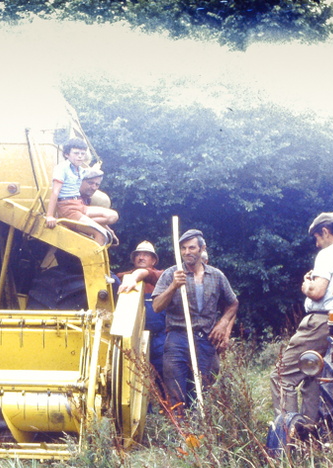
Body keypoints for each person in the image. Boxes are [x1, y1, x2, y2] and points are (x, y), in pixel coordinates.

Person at [270, 212, 333, 423]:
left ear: (325, 232)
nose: (317, 244)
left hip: (320, 321)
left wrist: (307, 286)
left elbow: (318, 292)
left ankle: (287, 435)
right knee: (312, 376)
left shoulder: (328, 254)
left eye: (317, 238)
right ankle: (309, 433)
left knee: (281, 376)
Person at [152, 229, 239, 412]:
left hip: (206, 340)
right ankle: (180, 436)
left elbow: (232, 303)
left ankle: (200, 435)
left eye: (191, 248)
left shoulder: (216, 275)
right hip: (177, 339)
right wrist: (174, 286)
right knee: (176, 395)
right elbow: (157, 306)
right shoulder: (171, 274)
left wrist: (223, 324)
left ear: (202, 248)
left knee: (203, 394)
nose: (187, 252)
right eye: (183, 248)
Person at [117, 241, 166, 392]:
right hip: (134, 340)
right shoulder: (122, 278)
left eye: (146, 254)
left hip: (159, 338)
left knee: (163, 375)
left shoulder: (162, 277)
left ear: (154, 260)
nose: (141, 257)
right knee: (135, 377)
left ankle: (167, 410)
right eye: (138, 254)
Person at [44, 137, 110, 245]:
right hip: (67, 207)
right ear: (66, 154)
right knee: (101, 234)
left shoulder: (79, 169)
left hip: (78, 205)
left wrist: (96, 167)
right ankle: (92, 259)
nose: (80, 156)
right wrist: (50, 215)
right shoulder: (62, 168)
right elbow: (55, 192)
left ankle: (81, 224)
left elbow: (90, 172)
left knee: (112, 216)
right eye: (76, 153)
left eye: (82, 154)